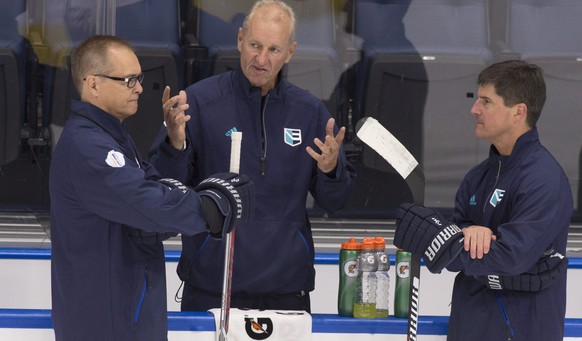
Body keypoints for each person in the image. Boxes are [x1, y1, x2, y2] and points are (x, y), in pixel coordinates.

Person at [149, 0, 356, 313]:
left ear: (290, 52)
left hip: (287, 292)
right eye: (255, 45)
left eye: (274, 49)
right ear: (240, 39)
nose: (261, 59)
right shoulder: (198, 102)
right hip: (210, 288)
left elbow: (334, 201)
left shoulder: (309, 112)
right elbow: (164, 192)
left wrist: (330, 171)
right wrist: (174, 145)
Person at [49, 35, 254, 341]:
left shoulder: (113, 137)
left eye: (139, 78)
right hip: (105, 324)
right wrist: (211, 208)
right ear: (92, 85)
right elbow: (148, 205)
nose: (140, 88)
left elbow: (155, 191)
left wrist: (174, 148)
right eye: (128, 80)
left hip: (129, 315)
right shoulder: (88, 147)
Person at [392, 60, 572, 341]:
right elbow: (456, 253)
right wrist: (462, 238)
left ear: (518, 112)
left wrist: (445, 245)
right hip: (470, 325)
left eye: (486, 102)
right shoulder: (477, 178)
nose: (474, 109)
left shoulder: (544, 179)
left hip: (523, 329)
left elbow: (512, 257)